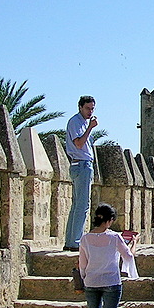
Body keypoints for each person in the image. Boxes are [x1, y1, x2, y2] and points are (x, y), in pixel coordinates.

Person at [78, 203, 138, 308]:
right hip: (111, 281)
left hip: (91, 281)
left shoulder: (85, 238)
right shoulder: (114, 237)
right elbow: (128, 257)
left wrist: (84, 278)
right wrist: (134, 244)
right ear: (110, 220)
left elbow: (82, 264)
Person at [64, 96, 98, 251]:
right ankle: (75, 242)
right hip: (81, 165)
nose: (90, 111)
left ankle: (70, 241)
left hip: (83, 165)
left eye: (92, 109)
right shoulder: (75, 122)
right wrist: (90, 128)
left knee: (77, 205)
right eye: (87, 108)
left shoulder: (83, 122)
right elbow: (78, 143)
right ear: (80, 107)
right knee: (83, 206)